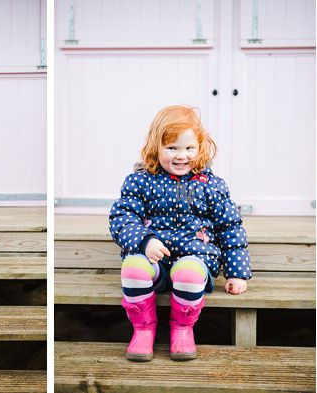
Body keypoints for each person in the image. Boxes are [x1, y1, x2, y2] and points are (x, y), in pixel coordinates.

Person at [108, 105, 252, 362]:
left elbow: (230, 228)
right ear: (156, 146)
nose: (181, 156)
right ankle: (143, 329)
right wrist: (145, 241)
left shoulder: (210, 185)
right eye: (172, 148)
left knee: (188, 272)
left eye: (189, 148)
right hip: (153, 260)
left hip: (194, 259)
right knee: (133, 268)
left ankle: (182, 329)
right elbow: (123, 218)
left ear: (200, 147)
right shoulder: (140, 181)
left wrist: (237, 273)